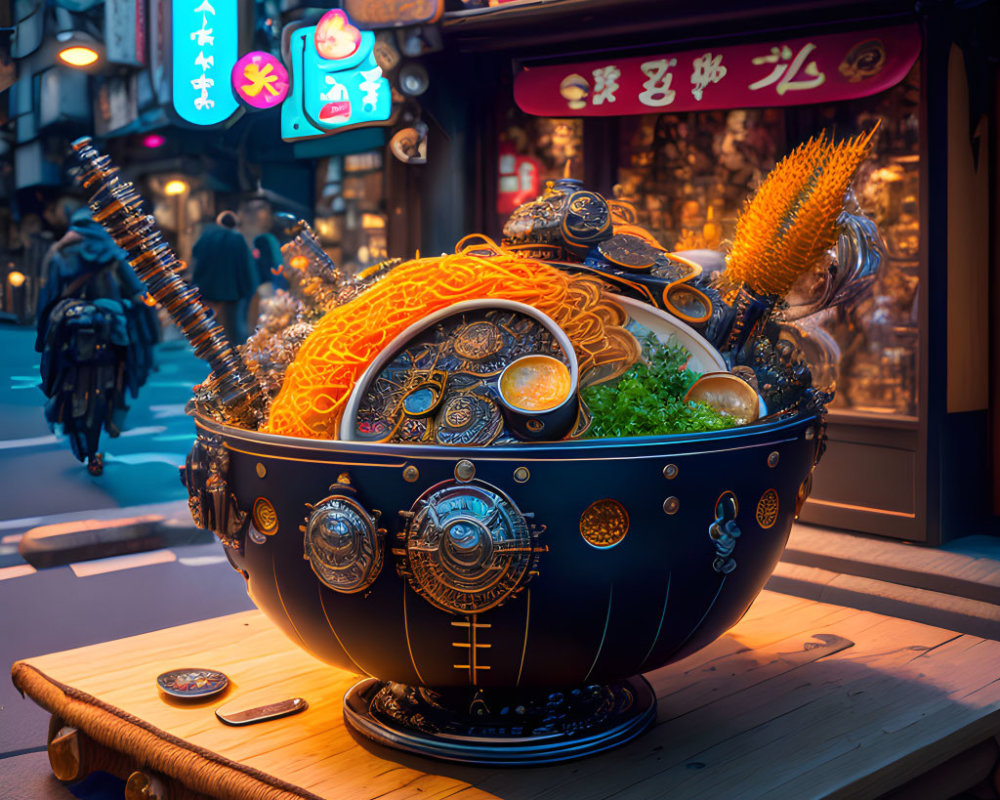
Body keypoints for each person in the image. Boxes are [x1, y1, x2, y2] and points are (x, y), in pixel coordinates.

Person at [35, 208, 159, 475]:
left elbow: (48, 298)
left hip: (71, 334)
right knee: (119, 376)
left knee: (64, 378)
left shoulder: (58, 252)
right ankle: (112, 418)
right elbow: (136, 291)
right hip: (109, 331)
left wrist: (45, 332)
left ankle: (66, 420)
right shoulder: (111, 251)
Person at [190, 211, 258, 345]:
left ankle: (212, 351)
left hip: (208, 289)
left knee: (209, 324)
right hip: (232, 291)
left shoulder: (207, 236)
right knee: (234, 328)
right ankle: (235, 356)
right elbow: (246, 266)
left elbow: (195, 254)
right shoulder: (238, 239)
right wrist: (249, 288)